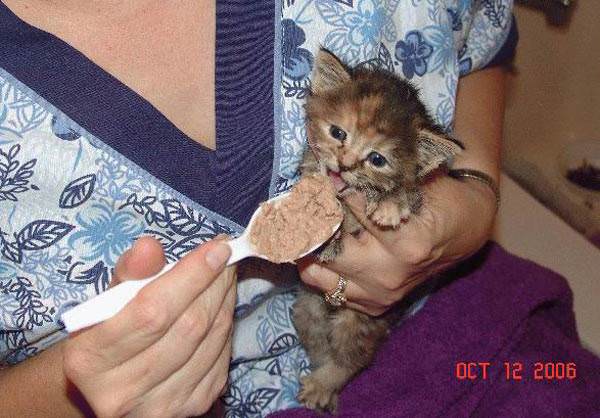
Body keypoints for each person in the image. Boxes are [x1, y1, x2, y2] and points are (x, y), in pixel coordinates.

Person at [1, 1, 598, 417]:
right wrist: (61, 392)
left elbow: (485, 37)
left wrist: (474, 192)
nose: (341, 166)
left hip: (460, 331)